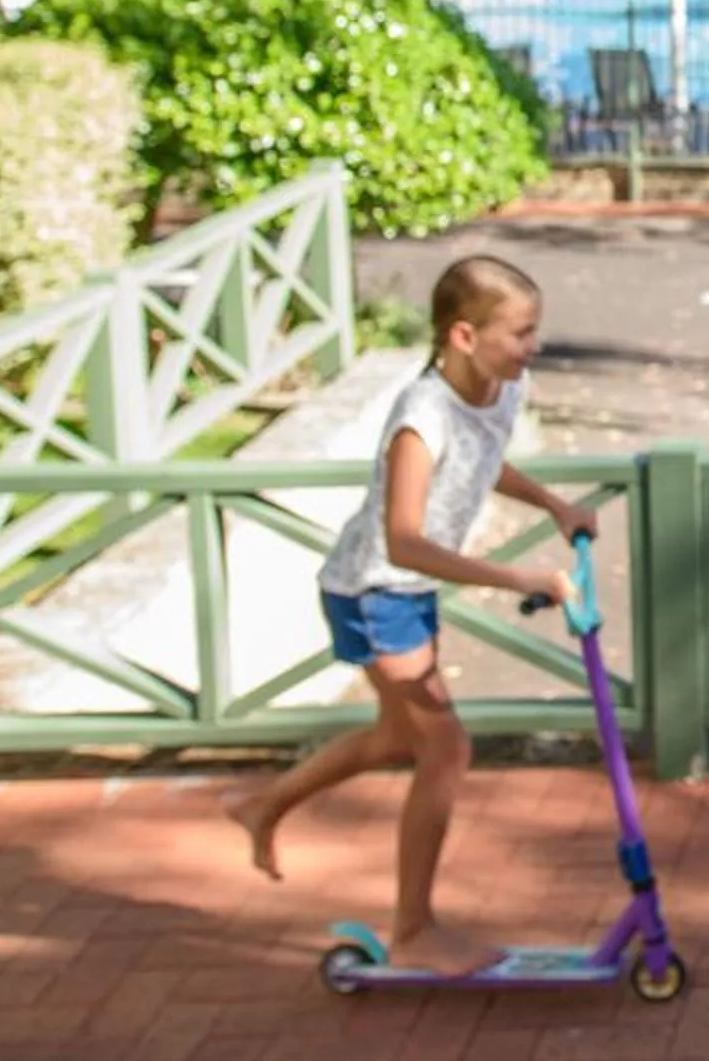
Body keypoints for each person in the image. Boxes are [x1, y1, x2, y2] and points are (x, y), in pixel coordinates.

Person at [226, 256, 598, 973]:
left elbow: (483, 459)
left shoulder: (500, 388)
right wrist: (519, 576)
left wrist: (554, 504)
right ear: (464, 335)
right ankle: (413, 930)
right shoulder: (420, 418)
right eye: (520, 333)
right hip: (374, 591)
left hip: (405, 590)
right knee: (444, 749)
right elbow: (404, 540)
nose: (533, 346)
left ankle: (265, 805)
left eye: (534, 330)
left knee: (398, 737)